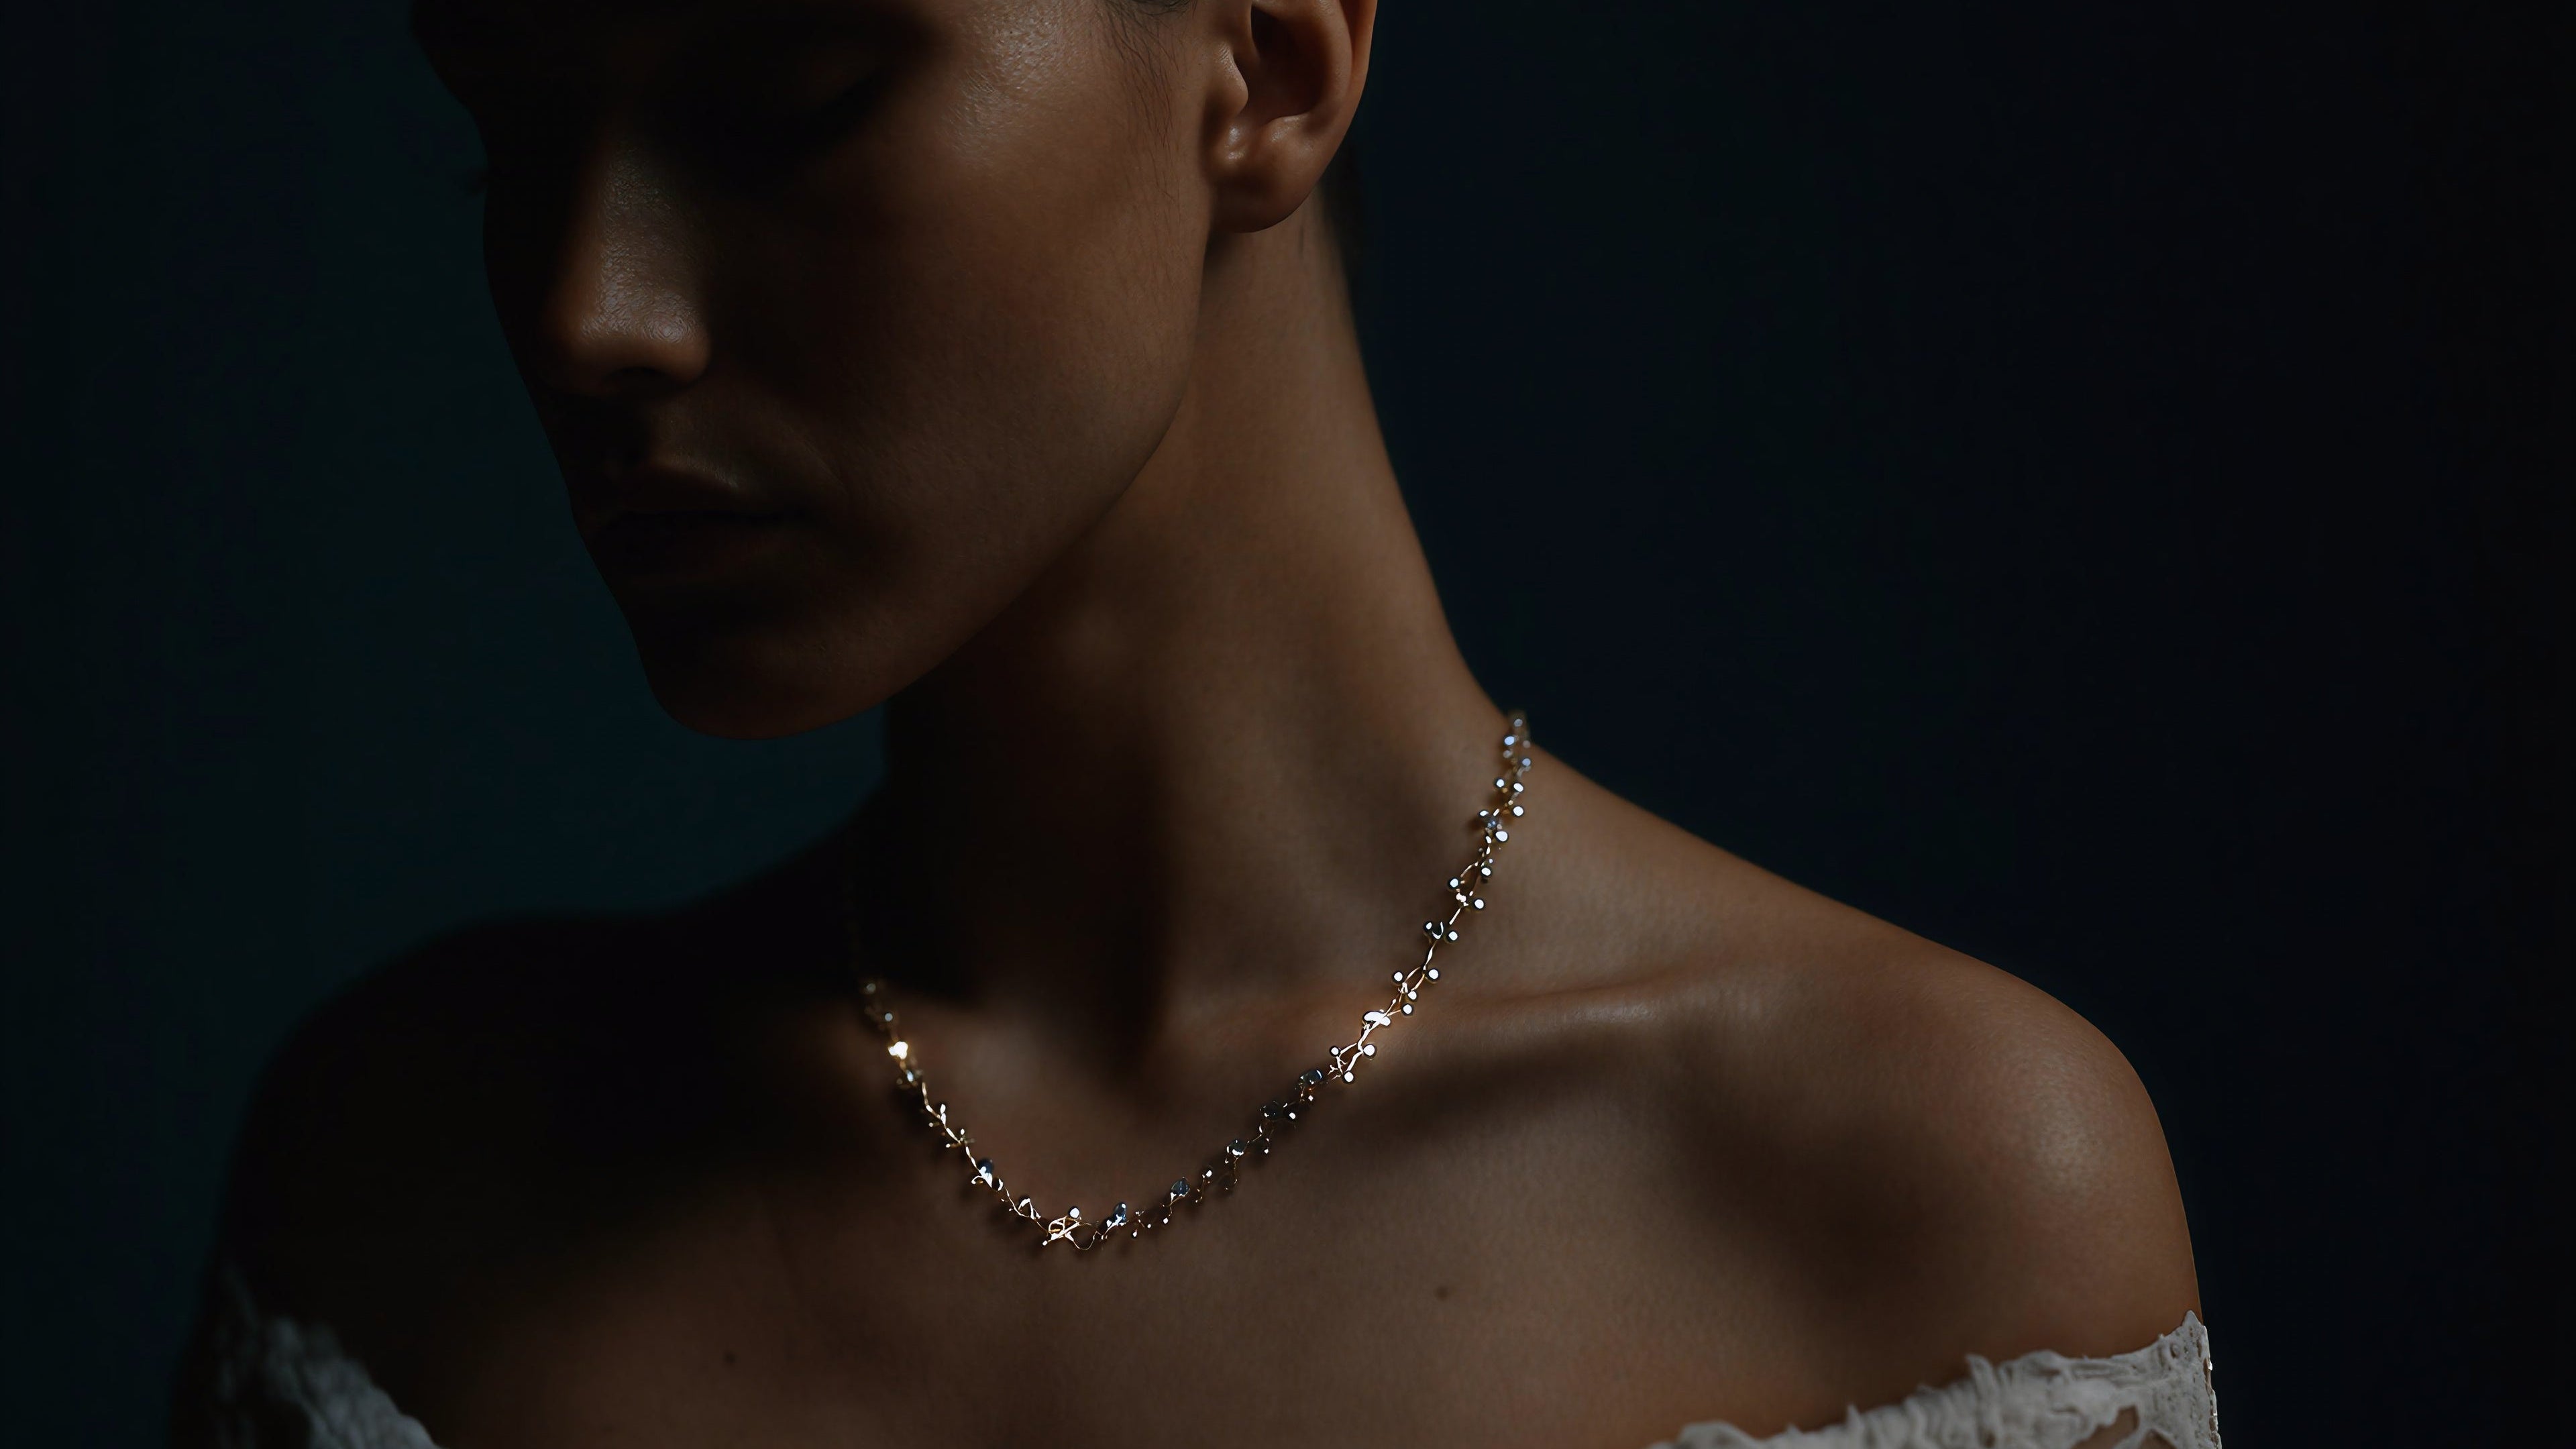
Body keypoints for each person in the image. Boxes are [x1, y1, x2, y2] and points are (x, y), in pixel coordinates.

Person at [176, 1, 2220, 1445]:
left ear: (1270, 55)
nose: (586, 311)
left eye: (790, 97)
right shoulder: (409, 1198)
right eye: (511, 130)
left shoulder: (1930, 1207)